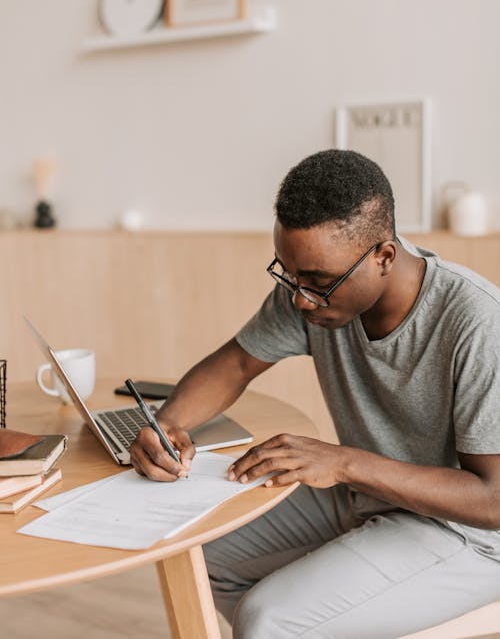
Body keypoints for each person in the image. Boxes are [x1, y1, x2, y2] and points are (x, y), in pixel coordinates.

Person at [130, 149, 500, 639]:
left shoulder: (476, 322)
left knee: (270, 618)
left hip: (470, 536)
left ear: (384, 256)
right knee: (200, 551)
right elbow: (236, 362)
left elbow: (493, 500)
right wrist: (168, 424)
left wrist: (345, 463)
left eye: (318, 282)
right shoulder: (314, 293)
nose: (301, 298)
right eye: (290, 273)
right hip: (368, 494)